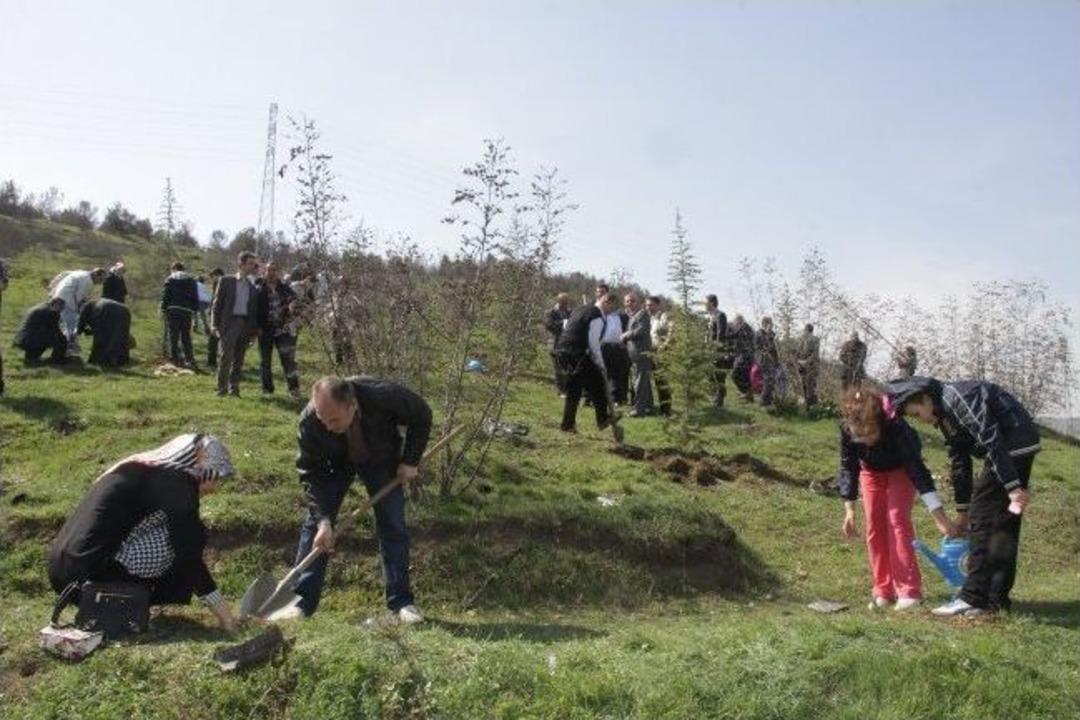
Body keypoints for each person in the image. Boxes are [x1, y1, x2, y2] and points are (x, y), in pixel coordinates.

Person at [46, 434, 239, 632]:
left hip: (63, 573)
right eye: (217, 477)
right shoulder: (177, 484)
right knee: (183, 537)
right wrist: (225, 616)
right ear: (202, 469)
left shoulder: (140, 468)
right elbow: (188, 553)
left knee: (179, 530)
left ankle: (128, 596)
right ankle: (121, 595)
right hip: (87, 578)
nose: (215, 488)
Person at [888, 376, 1040, 617]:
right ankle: (995, 600)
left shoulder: (957, 398)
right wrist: (962, 513)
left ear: (925, 398)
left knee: (983, 518)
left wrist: (1012, 489)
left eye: (918, 414)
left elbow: (990, 438)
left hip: (1011, 443)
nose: (923, 421)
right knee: (1002, 524)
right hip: (1014, 446)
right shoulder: (945, 416)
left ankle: (974, 598)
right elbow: (960, 460)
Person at [293, 376, 432, 623]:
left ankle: (402, 603)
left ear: (352, 406)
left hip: (380, 457)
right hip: (333, 466)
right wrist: (324, 520)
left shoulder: (383, 396)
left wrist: (410, 460)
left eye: (334, 420)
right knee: (316, 527)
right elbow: (310, 472)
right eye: (322, 419)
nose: (326, 425)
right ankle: (301, 603)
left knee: (393, 525)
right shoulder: (310, 421)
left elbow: (422, 415)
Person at [838, 386, 959, 611]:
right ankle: (883, 589)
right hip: (870, 472)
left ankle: (909, 591)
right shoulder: (848, 428)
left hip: (900, 470)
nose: (866, 441)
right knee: (874, 524)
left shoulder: (897, 430)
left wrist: (939, 517)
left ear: (879, 423)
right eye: (859, 437)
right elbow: (848, 466)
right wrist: (850, 510)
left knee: (897, 522)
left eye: (870, 434)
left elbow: (918, 472)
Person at [555, 292, 619, 433]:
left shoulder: (580, 309)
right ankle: (602, 419)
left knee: (575, 390)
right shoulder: (596, 316)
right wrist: (601, 364)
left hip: (562, 351)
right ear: (606, 302)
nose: (610, 312)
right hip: (577, 354)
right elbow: (593, 343)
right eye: (611, 308)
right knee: (598, 384)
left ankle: (568, 425)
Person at [211, 252, 260, 397]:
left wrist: (253, 332)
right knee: (226, 357)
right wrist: (214, 324)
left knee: (239, 359)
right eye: (250, 263)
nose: (253, 266)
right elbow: (217, 304)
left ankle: (234, 389)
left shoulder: (252, 287)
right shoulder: (226, 281)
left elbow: (253, 311)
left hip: (245, 324)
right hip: (229, 322)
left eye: (253, 263)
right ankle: (221, 389)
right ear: (241, 264)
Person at [256, 261, 301, 398]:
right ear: (265, 272)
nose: (272, 273)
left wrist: (293, 308)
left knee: (288, 360)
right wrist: (256, 327)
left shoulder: (285, 288)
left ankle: (294, 389)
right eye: (269, 270)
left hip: (283, 330)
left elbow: (296, 302)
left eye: (274, 270)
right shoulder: (259, 288)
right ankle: (267, 390)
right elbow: (254, 309)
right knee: (265, 361)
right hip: (265, 329)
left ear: (279, 272)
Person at [51, 267, 106, 353]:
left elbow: (65, 272)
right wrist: (82, 310)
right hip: (66, 298)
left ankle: (67, 346)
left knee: (68, 323)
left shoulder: (83, 273)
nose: (101, 282)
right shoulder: (87, 280)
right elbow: (79, 297)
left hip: (60, 296)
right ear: (95, 275)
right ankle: (68, 348)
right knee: (72, 324)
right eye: (101, 279)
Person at [161, 262, 200, 369]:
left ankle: (174, 358)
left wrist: (163, 308)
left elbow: (166, 295)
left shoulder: (170, 279)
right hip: (187, 311)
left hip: (173, 309)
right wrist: (195, 309)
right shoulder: (192, 280)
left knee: (173, 335)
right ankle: (189, 358)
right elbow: (195, 296)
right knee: (186, 336)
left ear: (173, 269)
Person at [621, 292, 653, 417]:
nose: (630, 303)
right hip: (635, 354)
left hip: (642, 353)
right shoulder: (632, 315)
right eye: (628, 301)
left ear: (639, 302)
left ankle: (638, 410)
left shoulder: (642, 314)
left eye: (632, 301)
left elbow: (641, 330)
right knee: (643, 381)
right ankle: (648, 407)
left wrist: (626, 335)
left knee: (639, 382)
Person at [78, 298, 131, 367]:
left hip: (107, 309)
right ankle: (121, 361)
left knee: (101, 338)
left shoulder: (86, 306)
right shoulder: (96, 302)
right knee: (122, 337)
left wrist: (76, 333)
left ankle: (96, 360)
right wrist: (88, 331)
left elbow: (81, 324)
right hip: (124, 310)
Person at [13, 298, 68, 364]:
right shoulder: (52, 312)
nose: (61, 310)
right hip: (33, 338)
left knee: (46, 336)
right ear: (56, 304)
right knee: (62, 340)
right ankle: (57, 360)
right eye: (61, 307)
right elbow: (55, 329)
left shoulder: (41, 306)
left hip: (22, 338)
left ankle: (31, 358)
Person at [599, 294, 630, 406]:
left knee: (615, 375)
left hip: (617, 347)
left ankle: (616, 399)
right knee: (601, 373)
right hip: (602, 346)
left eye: (611, 302)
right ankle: (598, 397)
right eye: (607, 302)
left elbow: (627, 330)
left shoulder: (622, 316)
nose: (609, 304)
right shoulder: (599, 315)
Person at [645, 295, 672, 416]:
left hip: (661, 353)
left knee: (662, 382)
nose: (648, 307)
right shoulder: (650, 319)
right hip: (651, 352)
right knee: (654, 382)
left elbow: (672, 333)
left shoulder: (664, 317)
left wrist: (664, 346)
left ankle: (665, 409)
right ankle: (653, 406)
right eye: (646, 305)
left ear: (658, 305)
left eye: (650, 305)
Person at [543, 293, 573, 395]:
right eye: (563, 302)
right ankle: (560, 390)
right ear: (559, 301)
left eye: (566, 302)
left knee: (567, 367)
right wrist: (562, 323)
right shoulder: (550, 312)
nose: (565, 305)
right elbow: (549, 325)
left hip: (567, 344)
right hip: (555, 343)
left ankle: (567, 388)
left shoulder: (570, 312)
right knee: (557, 367)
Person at [704, 294, 729, 407]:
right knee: (710, 374)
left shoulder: (720, 315)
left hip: (717, 351)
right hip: (709, 350)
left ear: (712, 303)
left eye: (706, 303)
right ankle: (715, 396)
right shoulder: (710, 316)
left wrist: (716, 350)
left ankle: (719, 401)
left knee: (719, 375)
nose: (704, 305)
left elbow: (721, 334)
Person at [754, 317, 780, 406]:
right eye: (770, 324)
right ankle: (763, 401)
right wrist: (768, 334)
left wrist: (777, 361)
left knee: (771, 381)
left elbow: (773, 349)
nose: (771, 326)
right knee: (768, 380)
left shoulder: (770, 335)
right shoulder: (759, 334)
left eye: (771, 324)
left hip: (771, 361)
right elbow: (760, 347)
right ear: (765, 324)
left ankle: (768, 401)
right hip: (763, 360)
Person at [729, 314, 755, 402]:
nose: (734, 326)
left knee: (734, 375)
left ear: (738, 321)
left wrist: (723, 337)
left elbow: (736, 337)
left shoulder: (744, 329)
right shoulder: (746, 328)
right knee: (745, 377)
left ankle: (746, 393)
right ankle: (749, 396)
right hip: (748, 356)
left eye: (734, 323)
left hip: (745, 357)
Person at [795, 323, 821, 408]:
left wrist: (806, 361)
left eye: (805, 330)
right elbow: (797, 351)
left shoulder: (815, 340)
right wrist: (797, 360)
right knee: (804, 386)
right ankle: (807, 405)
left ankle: (812, 406)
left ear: (809, 331)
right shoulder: (801, 339)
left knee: (811, 386)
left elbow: (815, 354)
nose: (804, 332)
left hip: (811, 367)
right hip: (801, 366)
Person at [206, 268, 224, 368]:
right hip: (219, 314)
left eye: (213, 276)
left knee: (213, 339)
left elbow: (215, 299)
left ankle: (212, 361)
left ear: (217, 275)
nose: (212, 279)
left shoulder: (219, 283)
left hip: (217, 315)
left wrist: (211, 311)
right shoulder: (222, 283)